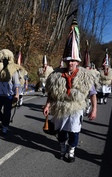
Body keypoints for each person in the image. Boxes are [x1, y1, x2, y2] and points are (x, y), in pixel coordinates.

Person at [43, 18, 97, 163]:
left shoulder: (85, 75)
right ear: (65, 61)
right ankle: (62, 146)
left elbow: (92, 94)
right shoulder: (56, 75)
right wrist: (48, 105)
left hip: (76, 108)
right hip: (60, 107)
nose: (71, 63)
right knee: (61, 132)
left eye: (73, 61)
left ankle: (71, 151)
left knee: (74, 132)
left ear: (78, 62)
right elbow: (51, 92)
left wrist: (94, 110)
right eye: (69, 60)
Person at [0, 49, 20, 134]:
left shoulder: (13, 70)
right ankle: (4, 121)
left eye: (4, 59)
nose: (3, 61)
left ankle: (5, 126)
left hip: (8, 95)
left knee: (7, 111)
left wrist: (17, 94)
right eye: (2, 59)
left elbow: (16, 83)